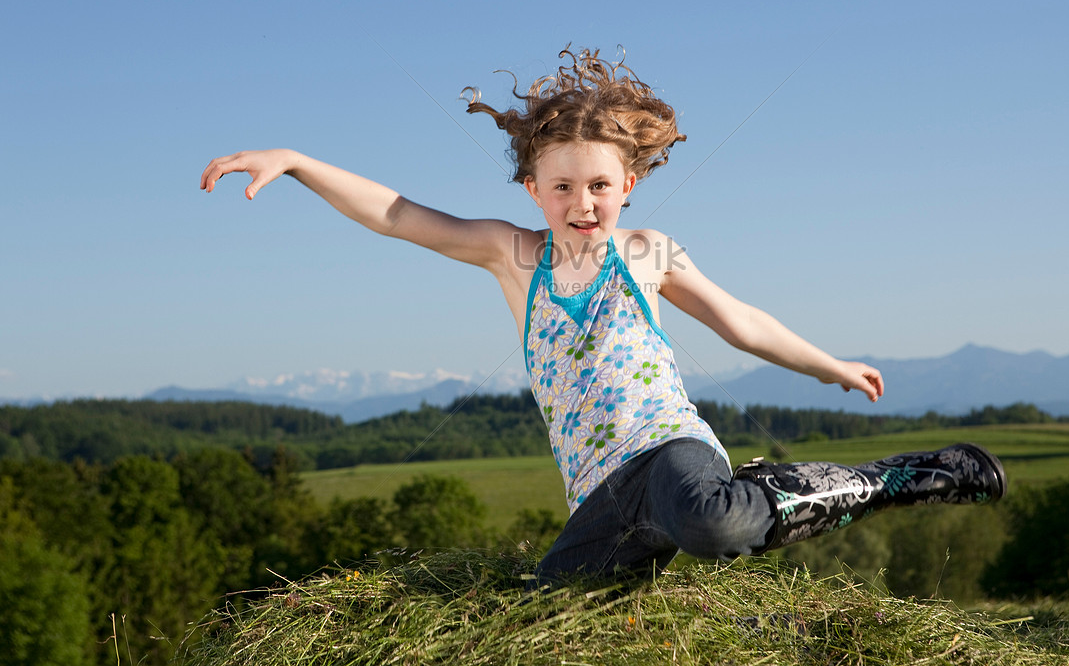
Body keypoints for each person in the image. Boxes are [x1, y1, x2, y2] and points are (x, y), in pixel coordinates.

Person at [200, 47, 1006, 584]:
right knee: (546, 609)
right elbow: (397, 214)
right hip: (599, 493)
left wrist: (828, 363)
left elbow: (740, 321)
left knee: (713, 523)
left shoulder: (648, 254)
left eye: (599, 187)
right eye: (562, 188)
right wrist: (299, 162)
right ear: (532, 191)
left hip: (668, 450)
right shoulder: (513, 257)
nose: (582, 204)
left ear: (627, 186)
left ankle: (898, 477)